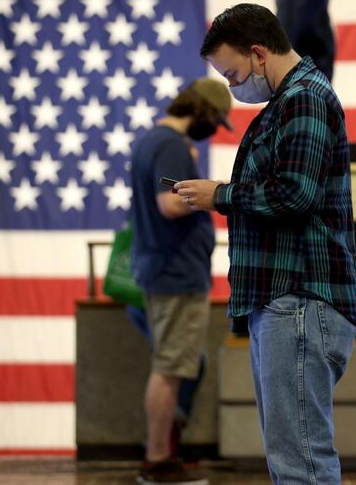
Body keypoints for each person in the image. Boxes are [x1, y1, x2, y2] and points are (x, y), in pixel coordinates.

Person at [176, 3, 356, 484]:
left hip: (300, 298)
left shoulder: (304, 98)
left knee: (300, 461)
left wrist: (218, 195)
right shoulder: (291, 100)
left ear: (258, 54)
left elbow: (295, 194)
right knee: (295, 456)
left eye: (233, 73)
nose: (233, 86)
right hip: (287, 300)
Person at [130, 77, 233, 485]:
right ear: (203, 111)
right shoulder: (171, 144)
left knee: (178, 365)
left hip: (163, 269)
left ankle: (163, 449)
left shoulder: (152, 141)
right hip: (175, 274)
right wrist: (214, 192)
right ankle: (158, 461)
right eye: (215, 121)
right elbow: (170, 202)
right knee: (170, 368)